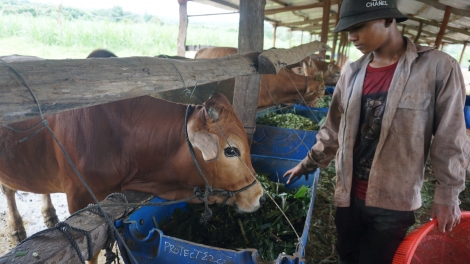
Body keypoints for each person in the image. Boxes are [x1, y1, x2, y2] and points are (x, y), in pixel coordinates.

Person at [283, 0, 467, 263]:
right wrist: (309, 163)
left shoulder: (437, 68)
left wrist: (448, 195)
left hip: (393, 201)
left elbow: (451, 136)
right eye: (348, 30)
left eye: (359, 26)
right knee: (347, 256)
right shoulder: (352, 72)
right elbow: (333, 128)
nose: (353, 37)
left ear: (389, 20)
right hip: (347, 196)